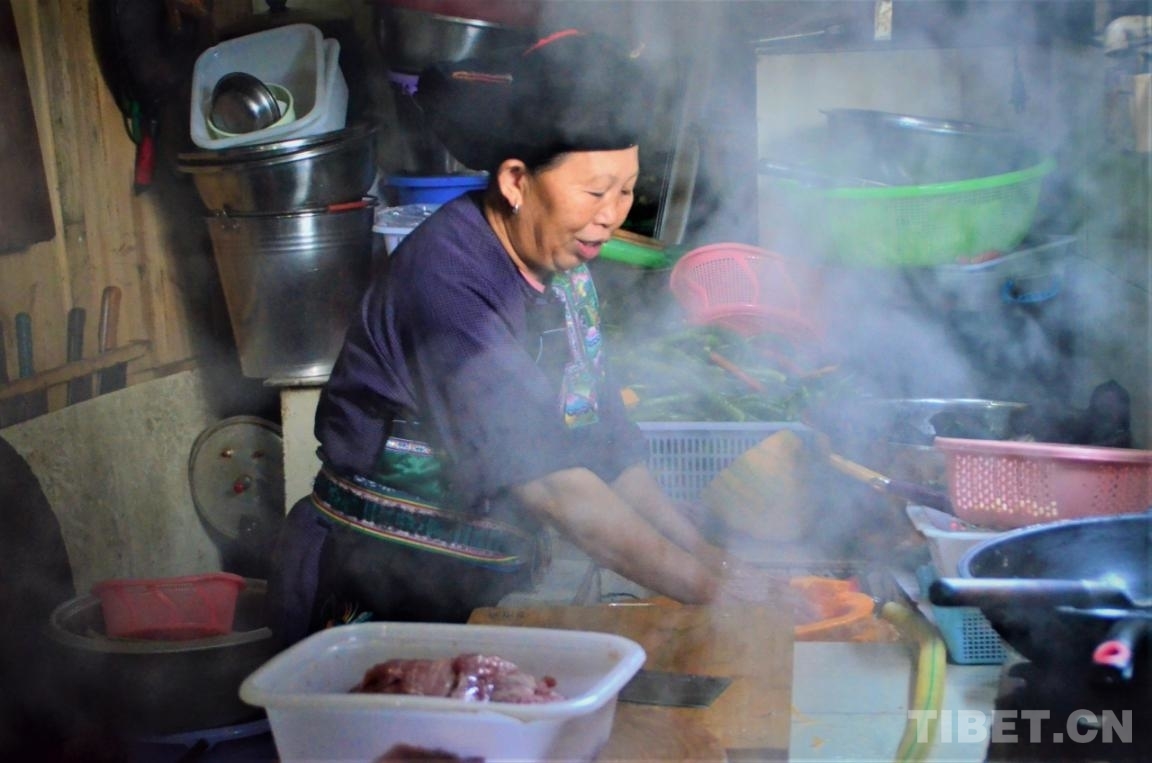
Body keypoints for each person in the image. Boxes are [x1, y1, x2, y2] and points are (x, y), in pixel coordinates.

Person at [267, 29, 775, 646]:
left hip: (478, 592)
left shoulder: (567, 273)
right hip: (377, 594)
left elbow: (607, 449)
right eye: (595, 191)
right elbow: (555, 487)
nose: (612, 214)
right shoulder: (447, 284)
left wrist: (705, 555)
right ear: (515, 182)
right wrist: (710, 593)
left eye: (626, 190)